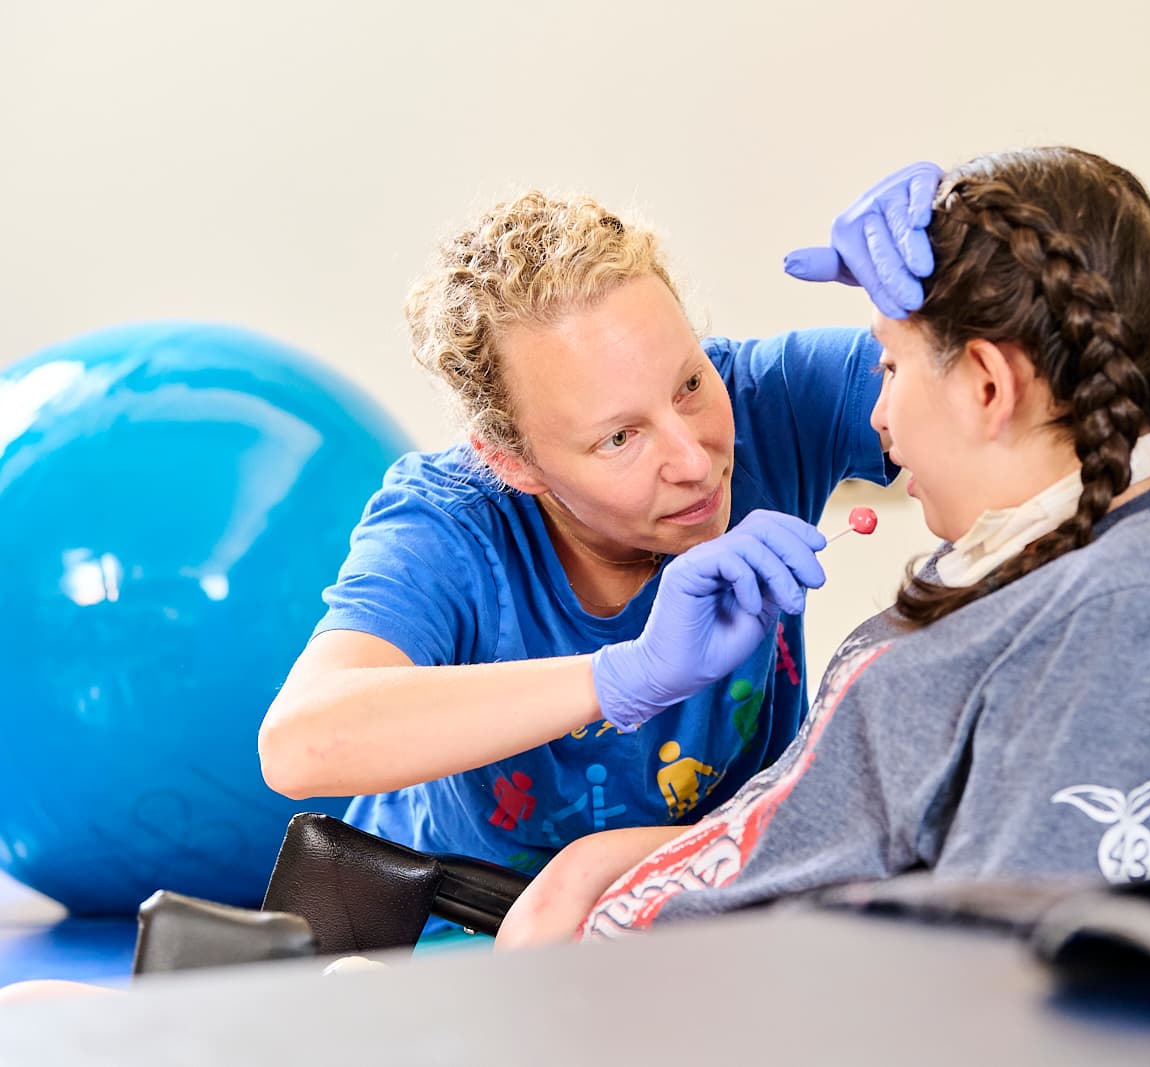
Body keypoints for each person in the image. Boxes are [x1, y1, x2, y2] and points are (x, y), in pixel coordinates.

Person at [492, 146, 1150, 948]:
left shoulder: (1127, 608)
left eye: (890, 366)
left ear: (990, 387)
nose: (878, 416)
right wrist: (607, 864)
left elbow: (1008, 967)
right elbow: (849, 836)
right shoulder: (1060, 557)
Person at [254, 188, 901, 919]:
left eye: (689, 383)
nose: (695, 460)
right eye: (619, 438)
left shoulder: (768, 401)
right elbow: (300, 744)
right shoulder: (451, 521)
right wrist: (623, 675)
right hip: (454, 931)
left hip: (692, 915)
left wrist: (953, 285)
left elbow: (1007, 394)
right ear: (512, 463)